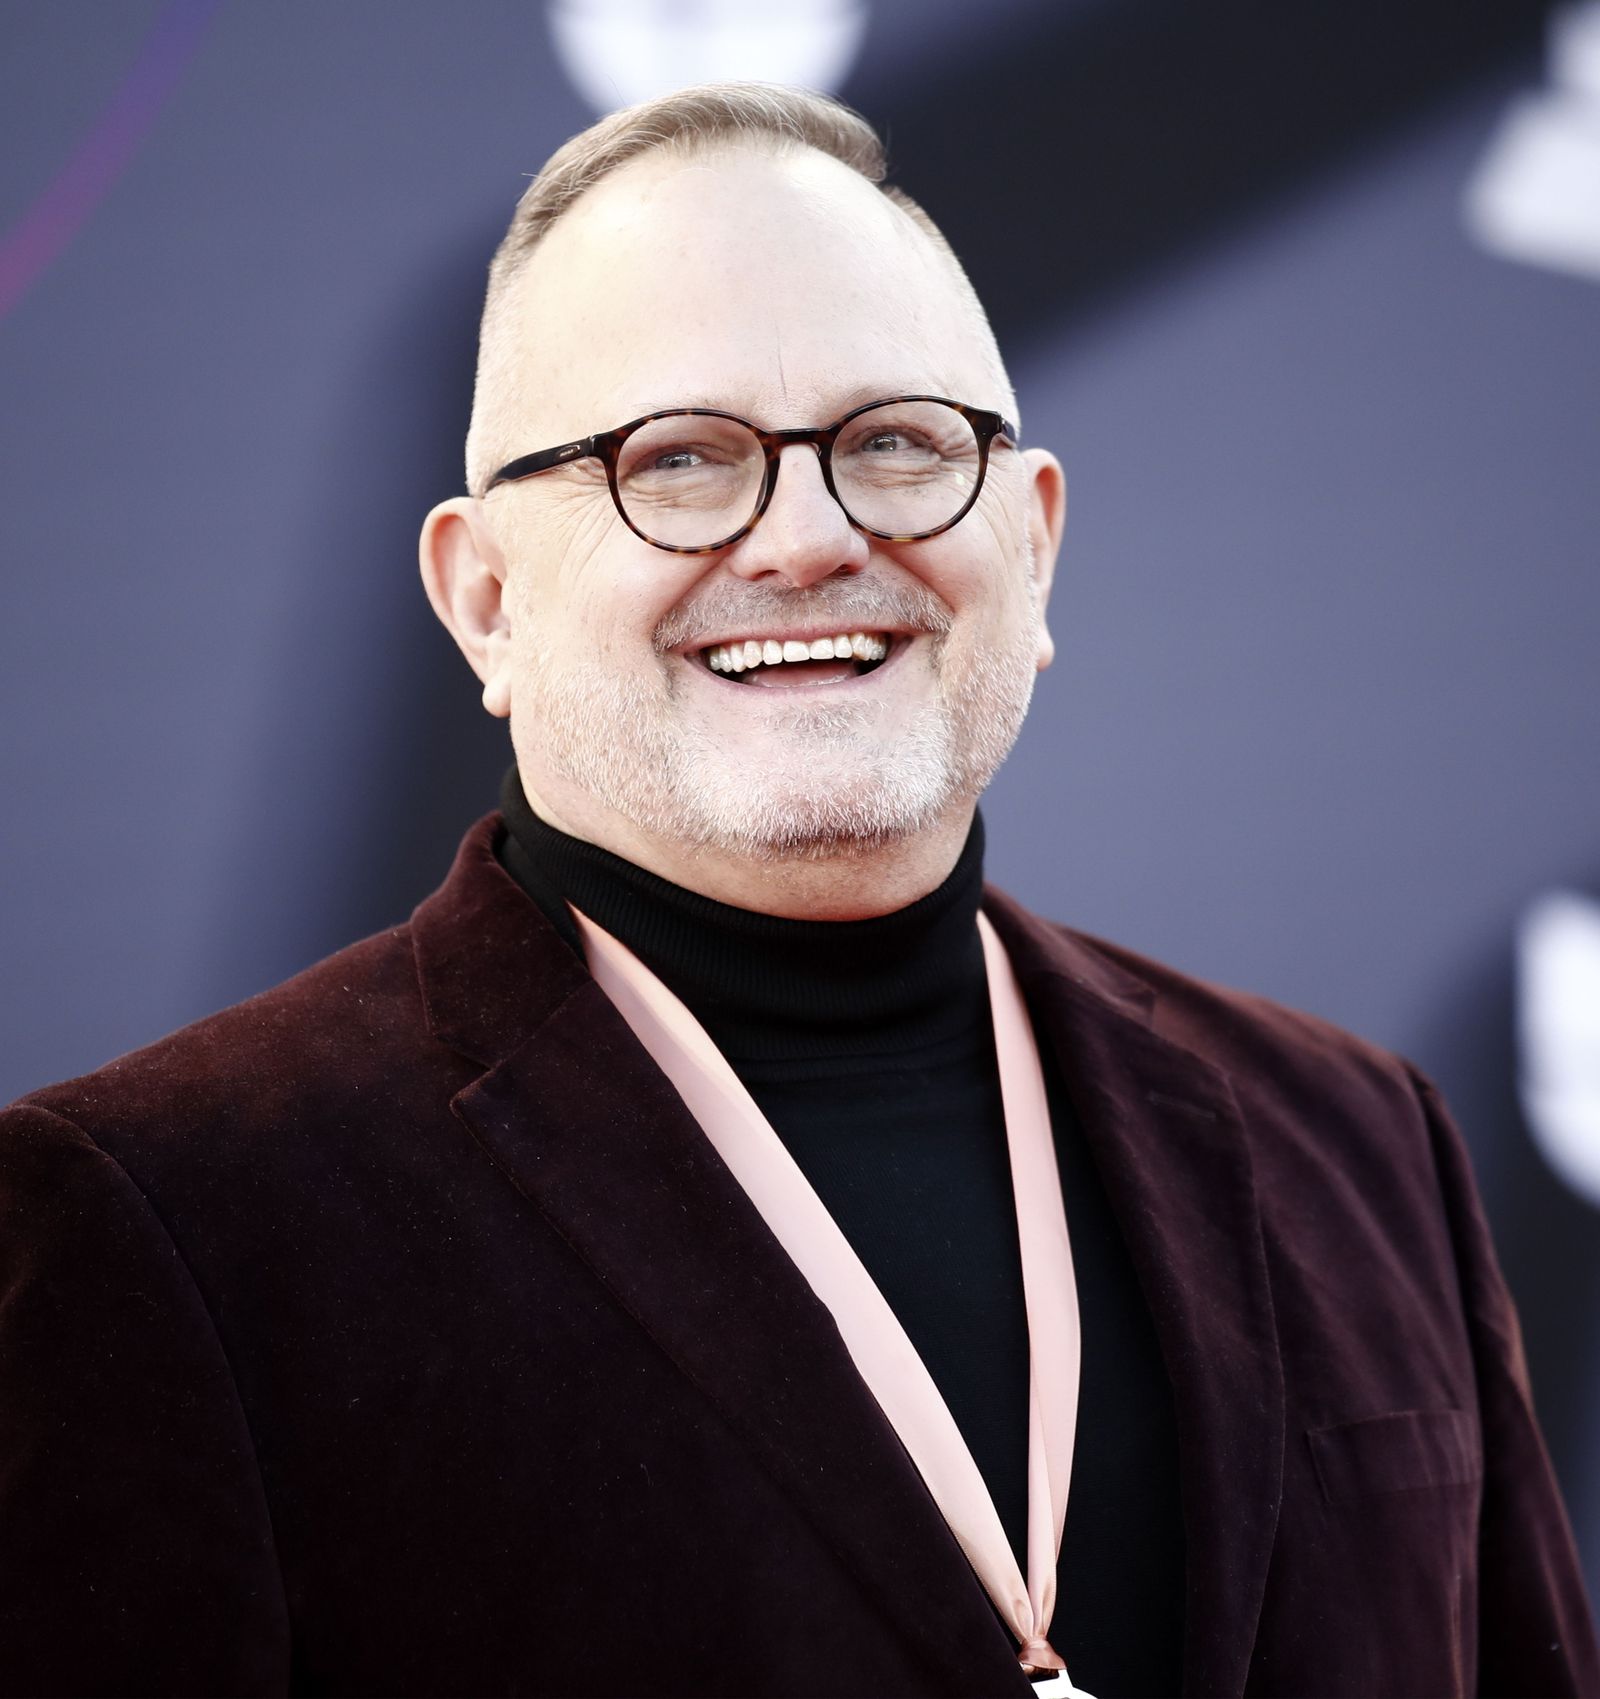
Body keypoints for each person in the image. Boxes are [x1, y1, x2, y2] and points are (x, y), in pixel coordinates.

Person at [0, 82, 1594, 1699]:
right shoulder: (165, 1227)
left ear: (1032, 548)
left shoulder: (1358, 1139)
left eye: (899, 443)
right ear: (484, 598)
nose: (807, 537)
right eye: (678, 462)